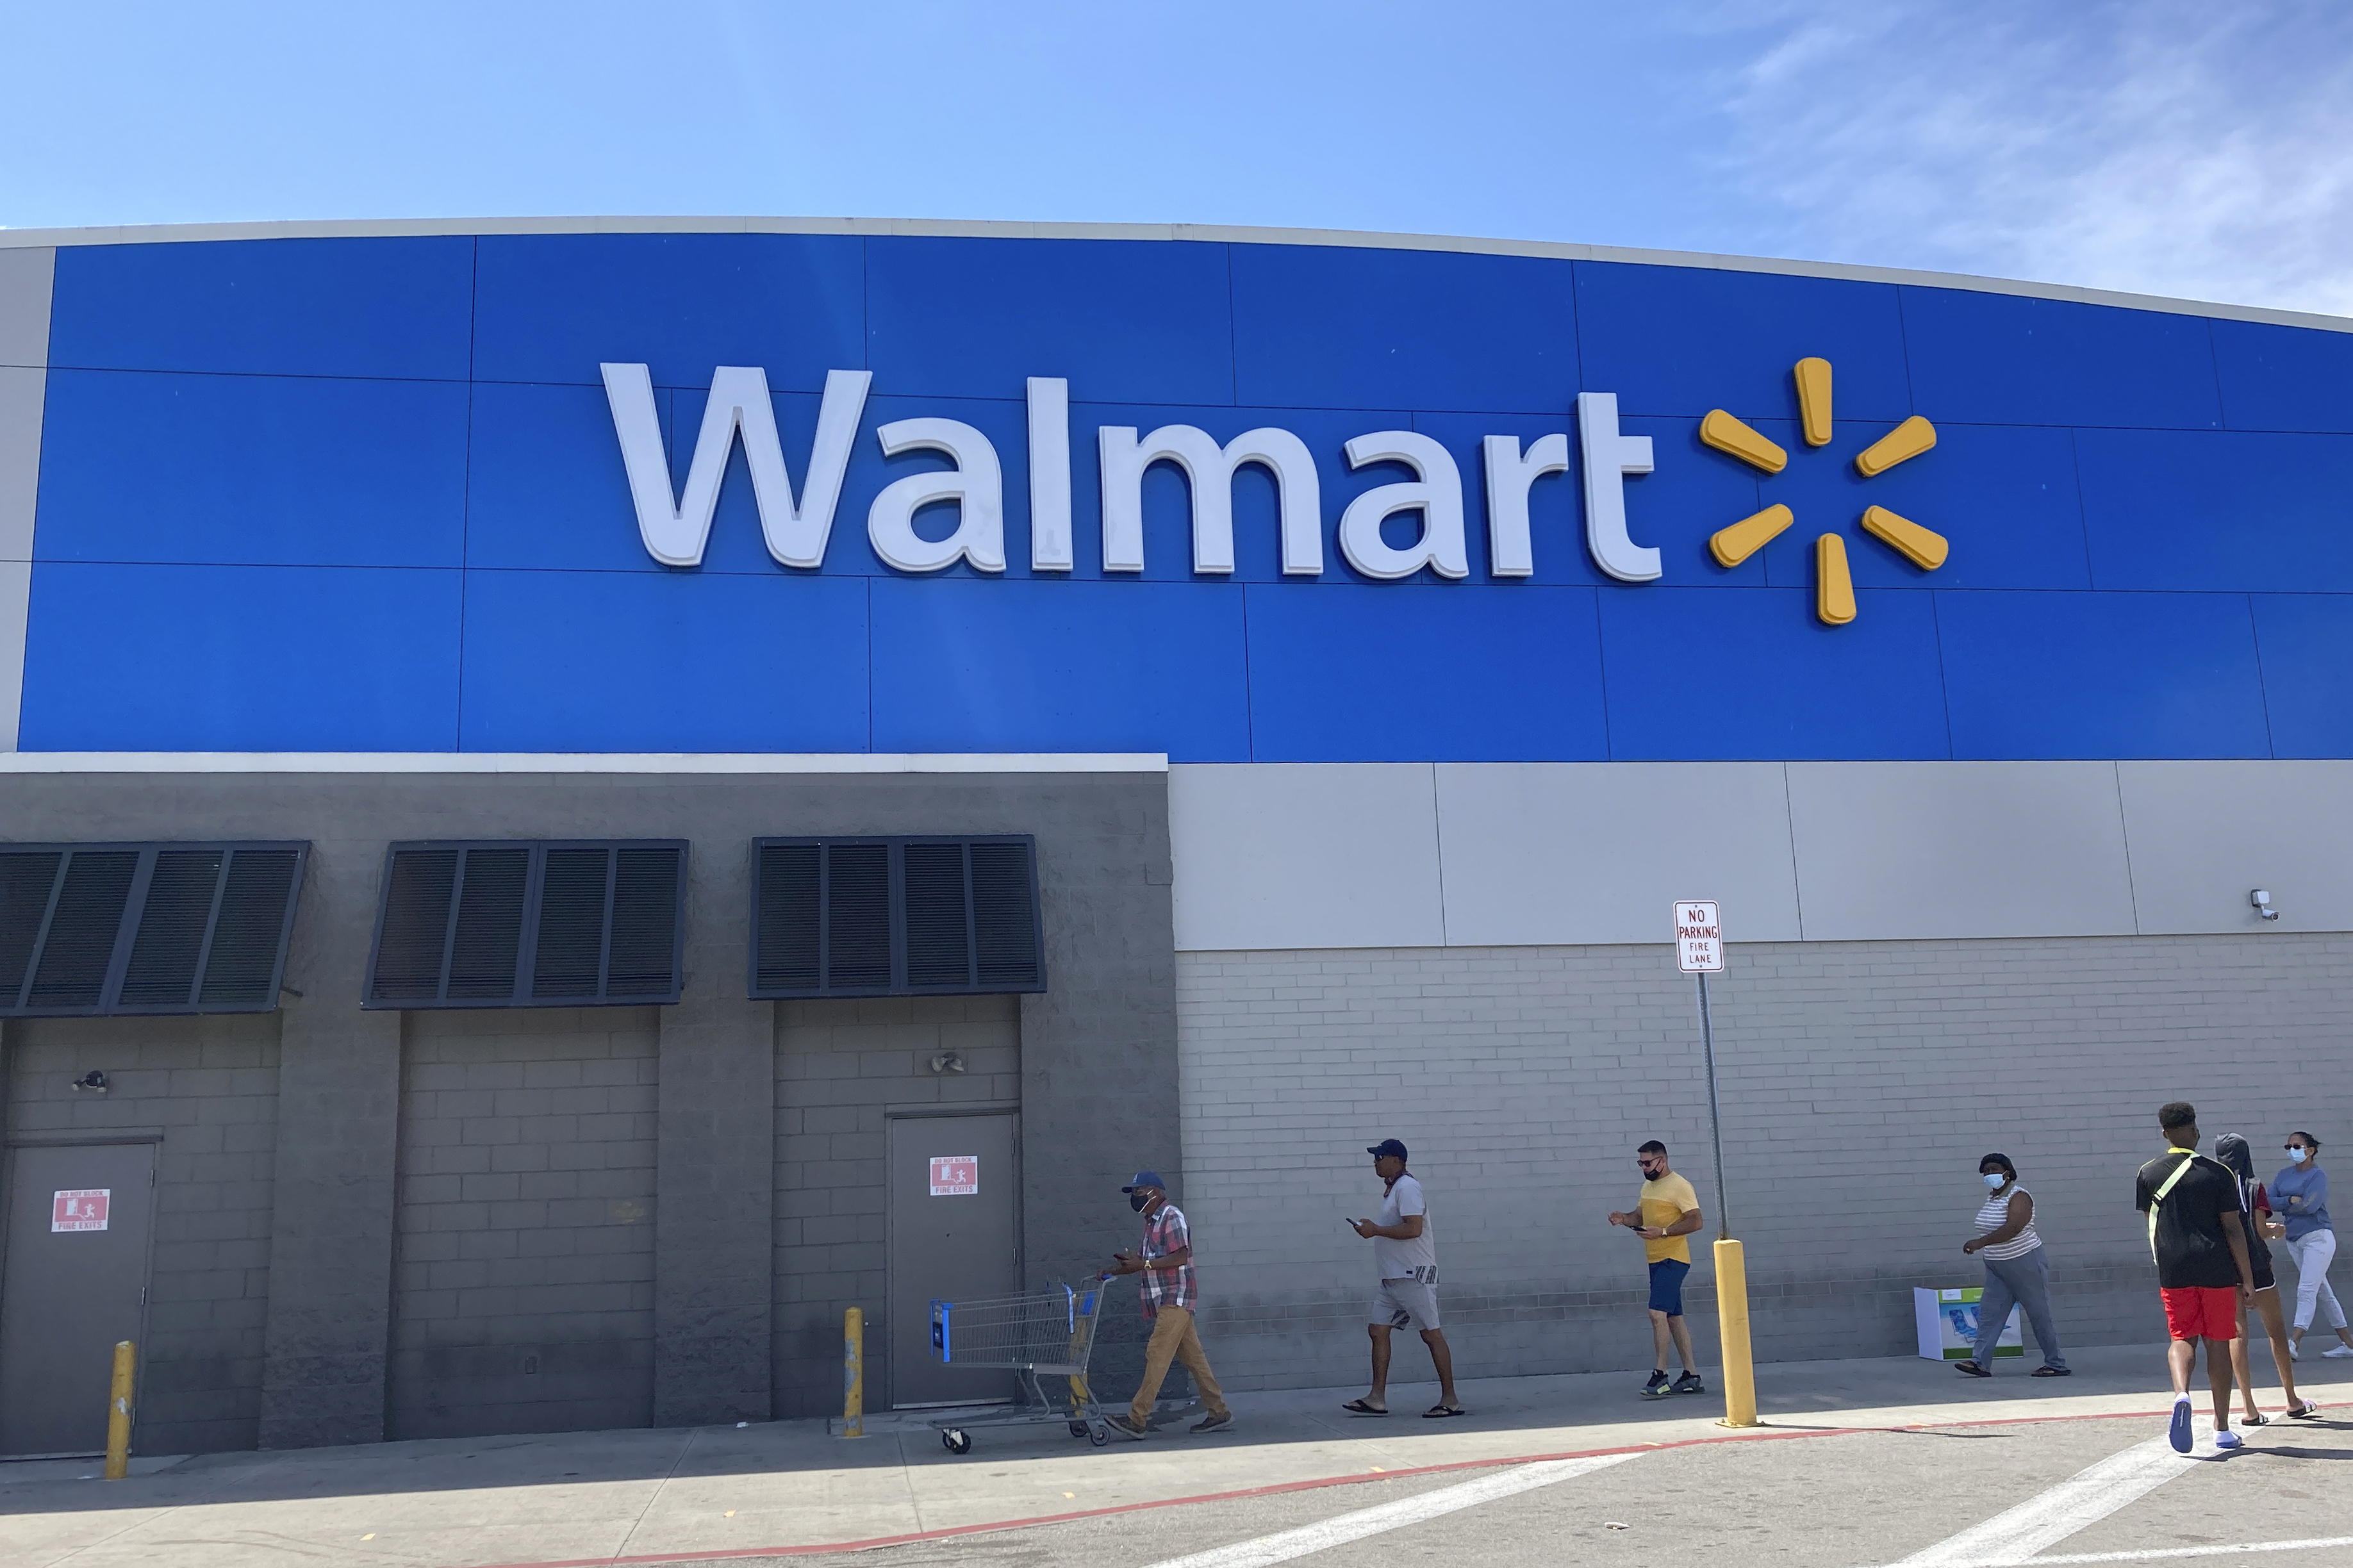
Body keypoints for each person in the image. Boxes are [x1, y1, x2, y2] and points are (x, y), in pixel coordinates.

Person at [2135, 1102, 2256, 1453]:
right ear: (2195, 1129)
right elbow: (2233, 1229)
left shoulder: (2148, 1173)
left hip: (2174, 1268)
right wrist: (2246, 1279)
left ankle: (2182, 1395)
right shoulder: (2218, 1173)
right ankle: (2221, 1428)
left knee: (2181, 1338)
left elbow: (2151, 1227)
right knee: (2218, 1341)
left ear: (2164, 1133)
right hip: (2216, 1267)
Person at [1341, 1138, 1465, 1418]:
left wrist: (1376, 1231)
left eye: (1380, 1156)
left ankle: (1450, 1399)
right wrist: (1373, 1229)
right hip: (1393, 1279)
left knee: (1431, 1335)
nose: (1376, 1161)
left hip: (1413, 1276)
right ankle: (1376, 1399)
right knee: (1378, 1330)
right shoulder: (1394, 1189)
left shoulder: (1408, 1188)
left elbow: (1414, 1230)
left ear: (1397, 1160)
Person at [1105, 1170, 1233, 1437]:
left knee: (1157, 1353)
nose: (1135, 1197)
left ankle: (1137, 1418)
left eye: (1139, 1192)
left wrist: (1146, 1263)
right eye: (1134, 1193)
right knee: (1193, 1358)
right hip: (1167, 1298)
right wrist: (1113, 1271)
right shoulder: (1151, 1222)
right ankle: (1218, 1411)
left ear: (1156, 1192)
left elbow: (1181, 1256)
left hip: (1177, 1296)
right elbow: (1143, 1263)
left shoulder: (1172, 1217)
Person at [2213, 1134, 2319, 1421]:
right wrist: (2275, 1231)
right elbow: (2259, 1230)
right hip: (2257, 1267)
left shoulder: (2213, 1184)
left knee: (2238, 1334)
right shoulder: (2254, 1185)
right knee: (2276, 1332)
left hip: (2227, 1268)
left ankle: (2248, 1407)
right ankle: (2292, 1400)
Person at [1953, 1153, 2068, 1378]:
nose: (1989, 1174)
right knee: (1989, 1315)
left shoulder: (2019, 1196)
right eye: (1985, 1171)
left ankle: (2056, 1363)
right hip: (1997, 1267)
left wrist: (1980, 1243)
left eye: (1994, 1169)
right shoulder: (1993, 1198)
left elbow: (2013, 1227)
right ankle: (1980, 1362)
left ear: (2008, 1172)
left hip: (2025, 1262)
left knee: (2039, 1314)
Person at [1606, 1139, 1706, 1398]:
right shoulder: (1648, 1186)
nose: (1644, 1167)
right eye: (1640, 1162)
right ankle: (1691, 1375)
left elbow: (1696, 1222)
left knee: (1656, 1314)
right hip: (1655, 1259)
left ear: (1663, 1160)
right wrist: (1624, 1219)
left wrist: (1662, 1232)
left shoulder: (1680, 1186)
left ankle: (1660, 1375)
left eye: (1648, 1162)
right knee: (1673, 1318)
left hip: (1674, 1259)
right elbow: (1640, 1216)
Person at [2272, 1131, 2353, 1360]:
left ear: (2311, 1150)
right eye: (2288, 1147)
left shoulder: (2318, 1175)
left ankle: (2294, 1342)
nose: (2292, 1151)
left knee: (2306, 1289)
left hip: (2318, 1238)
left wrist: (2286, 1205)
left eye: (2297, 1147)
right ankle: (2349, 1343)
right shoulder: (2283, 1175)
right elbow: (2268, 1201)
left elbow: (2310, 1206)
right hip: (2294, 1241)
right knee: (2323, 1292)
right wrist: (2289, 1201)